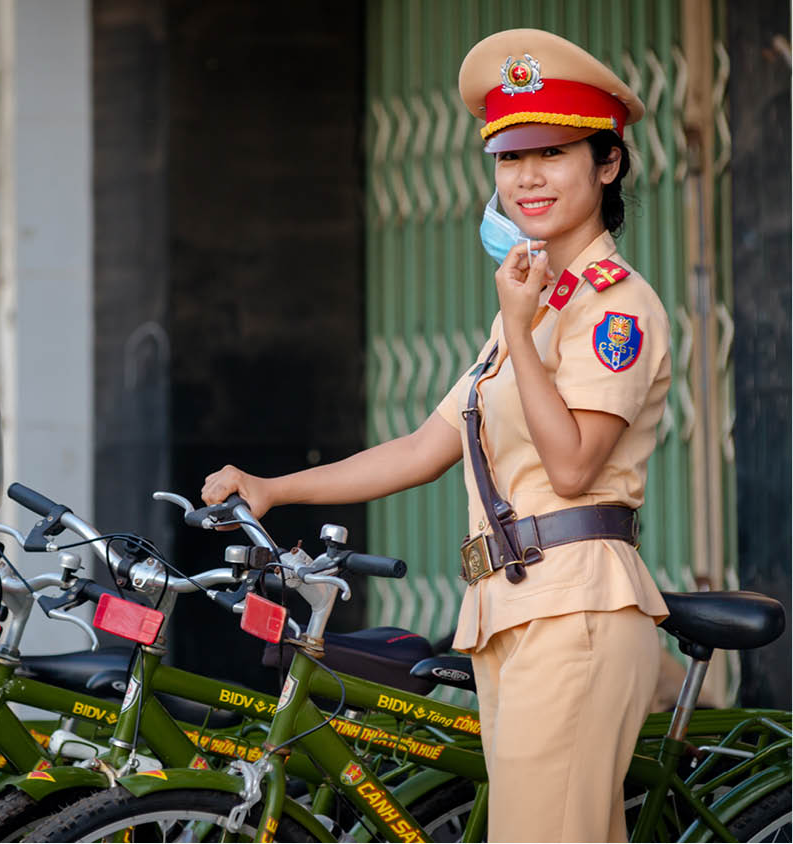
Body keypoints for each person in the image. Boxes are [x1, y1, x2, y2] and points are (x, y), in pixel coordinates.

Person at [202, 28, 670, 843]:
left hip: (576, 611)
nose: (526, 177)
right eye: (508, 157)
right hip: (512, 610)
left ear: (607, 164)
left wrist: (520, 333)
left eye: (553, 154)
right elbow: (424, 445)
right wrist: (276, 488)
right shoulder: (533, 304)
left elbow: (570, 469)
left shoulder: (613, 307)